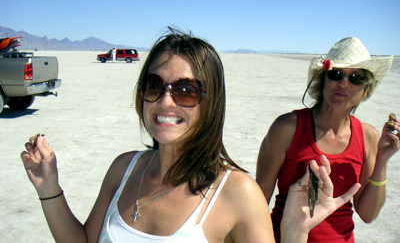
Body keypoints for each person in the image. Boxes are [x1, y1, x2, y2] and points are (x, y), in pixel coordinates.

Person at [21, 28, 360, 243]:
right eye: (154, 86)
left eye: (186, 90)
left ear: (210, 102)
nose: (165, 101)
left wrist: (294, 233)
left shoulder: (237, 193)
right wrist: (49, 189)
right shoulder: (124, 169)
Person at [256, 37, 399, 242]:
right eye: (336, 74)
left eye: (356, 78)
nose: (343, 84)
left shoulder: (368, 136)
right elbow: (258, 202)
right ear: (323, 78)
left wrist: (382, 161)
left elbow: (368, 214)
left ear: (365, 88)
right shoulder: (287, 128)